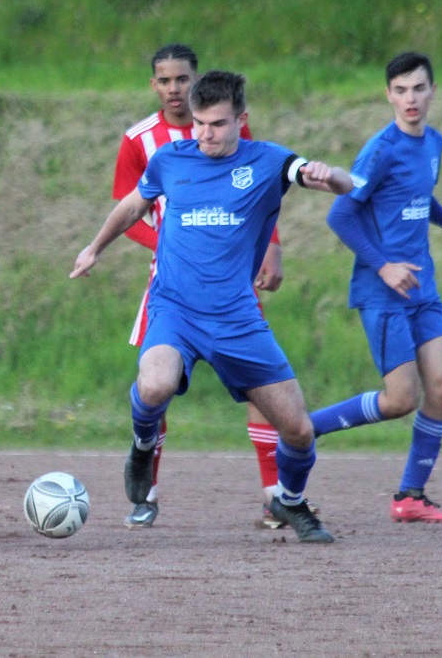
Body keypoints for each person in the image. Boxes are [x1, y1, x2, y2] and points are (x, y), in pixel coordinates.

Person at [72, 71, 352, 543]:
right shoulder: (170, 159)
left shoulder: (267, 160)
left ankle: (289, 500)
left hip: (237, 319)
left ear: (241, 120)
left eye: (218, 124)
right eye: (199, 123)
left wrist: (331, 174)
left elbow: (337, 185)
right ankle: (143, 445)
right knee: (155, 383)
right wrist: (94, 247)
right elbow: (132, 206)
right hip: (176, 310)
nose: (205, 134)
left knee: (300, 432)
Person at [113, 43, 291, 529]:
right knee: (157, 385)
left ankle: (274, 496)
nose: (175, 88)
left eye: (183, 79)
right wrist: (167, 243)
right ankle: (145, 493)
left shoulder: (226, 126)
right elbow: (128, 211)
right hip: (169, 285)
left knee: (261, 387)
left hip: (230, 282)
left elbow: (261, 183)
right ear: (154, 84)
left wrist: (271, 246)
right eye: (165, 80)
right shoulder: (139, 142)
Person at [310, 52, 442, 523]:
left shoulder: (434, 143)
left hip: (422, 287)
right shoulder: (380, 149)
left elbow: (417, 198)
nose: (411, 98)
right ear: (388, 94)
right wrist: (384, 266)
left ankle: (410, 495)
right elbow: (341, 213)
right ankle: (306, 429)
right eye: (401, 90)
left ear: (433, 92)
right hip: (383, 290)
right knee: (400, 400)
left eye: (419, 88)